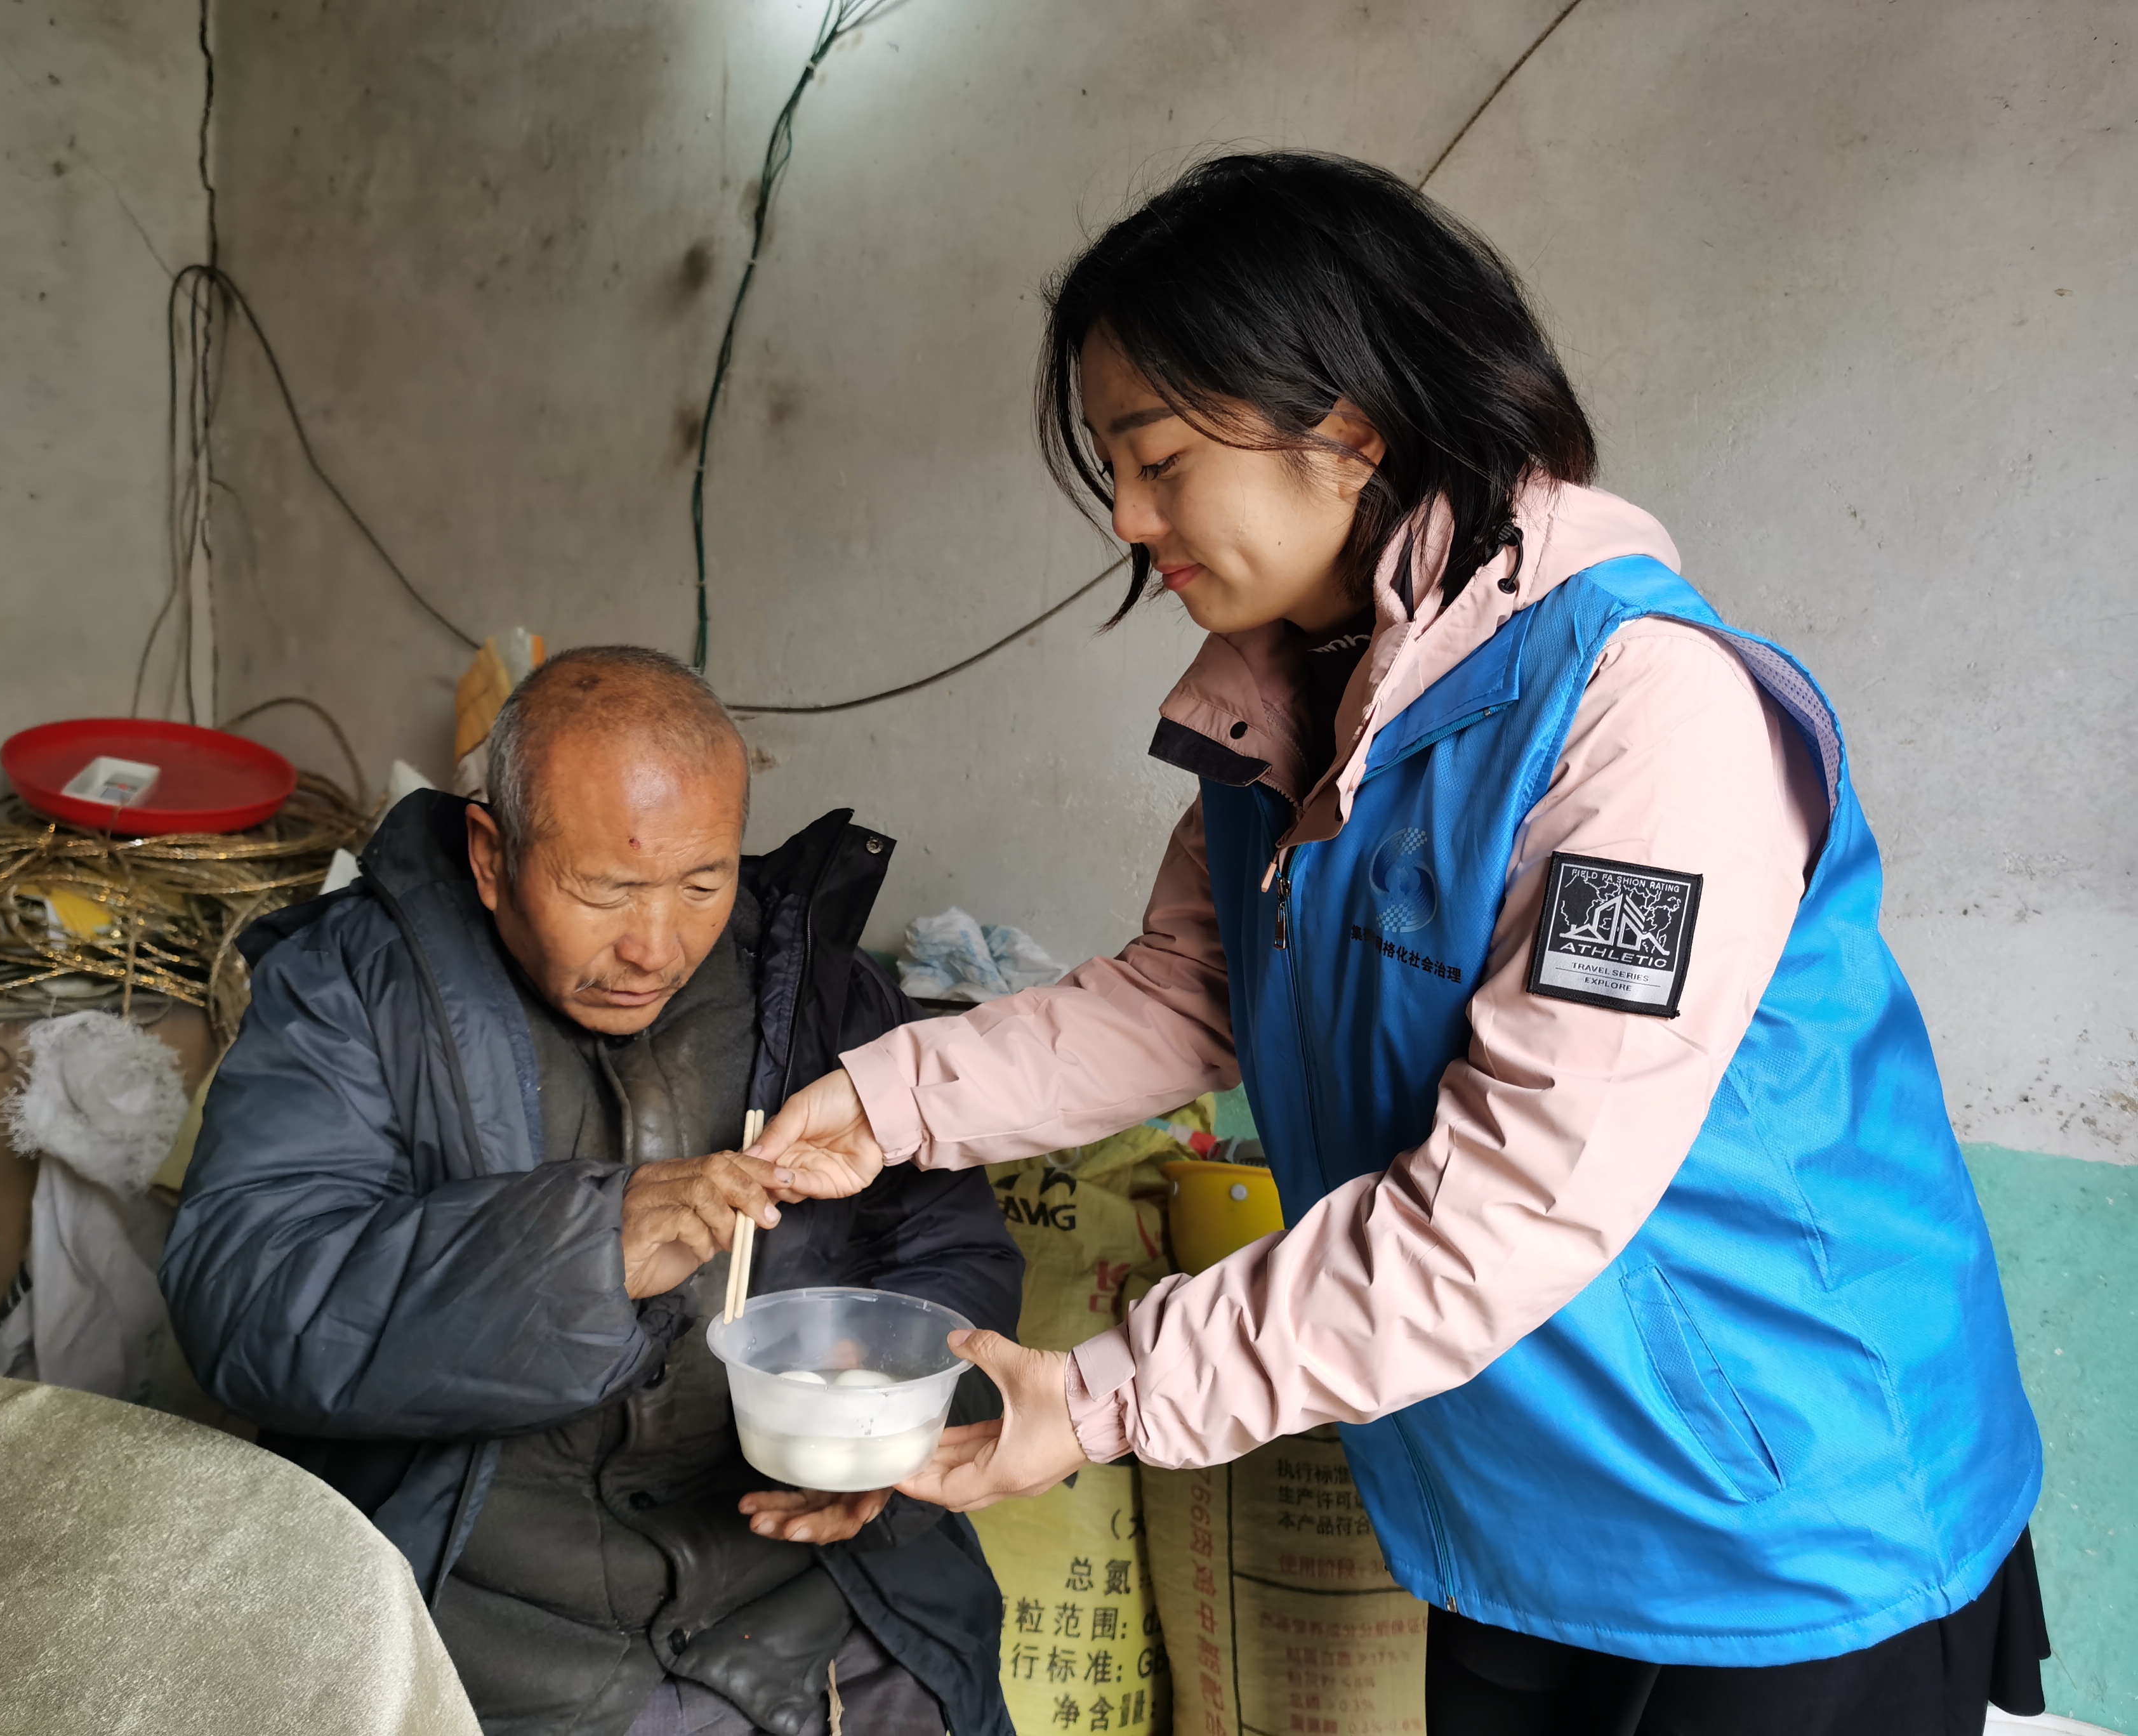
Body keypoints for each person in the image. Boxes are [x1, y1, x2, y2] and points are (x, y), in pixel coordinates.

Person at [752, 154, 2052, 1734]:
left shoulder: (1644, 715)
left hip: (1774, 1521)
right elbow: (1193, 990)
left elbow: (1510, 1206)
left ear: (1349, 427)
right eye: (1114, 467)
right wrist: (883, 1103)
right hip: (1513, 1512)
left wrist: (1100, 1396)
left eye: (1159, 459)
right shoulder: (1297, 703)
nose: (1129, 519)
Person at [160, 647, 1022, 1736]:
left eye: (702, 884)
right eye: (605, 889)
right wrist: (583, 1253)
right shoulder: (355, 986)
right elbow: (245, 1301)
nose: (654, 946)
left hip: (815, 1613)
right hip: (488, 1630)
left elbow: (958, 1260)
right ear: (492, 856)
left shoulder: (820, 989)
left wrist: (896, 1428)